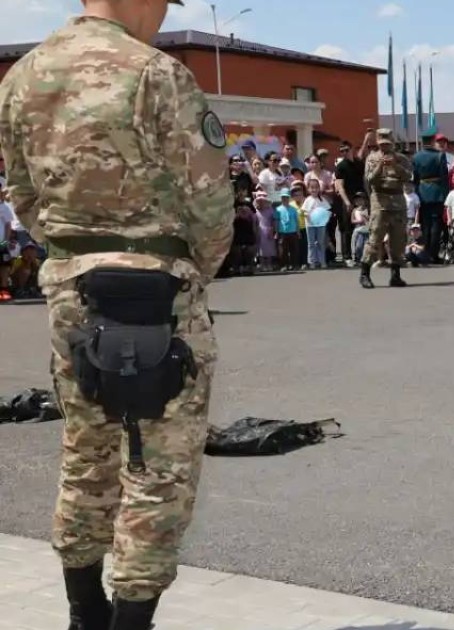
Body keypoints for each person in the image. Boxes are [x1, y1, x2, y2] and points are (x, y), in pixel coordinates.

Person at [0, 1, 233, 627]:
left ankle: (84, 613)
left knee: (86, 455)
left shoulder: (23, 76)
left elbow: (22, 195)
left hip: (72, 292)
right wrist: (192, 272)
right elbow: (210, 200)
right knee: (160, 471)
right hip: (159, 292)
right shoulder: (156, 72)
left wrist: (72, 254)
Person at [360, 129, 413, 288]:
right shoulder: (372, 158)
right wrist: (380, 166)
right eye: (382, 144)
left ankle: (395, 275)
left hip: (397, 200)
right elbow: (370, 180)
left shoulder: (401, 158)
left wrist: (395, 166)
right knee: (375, 237)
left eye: (387, 144)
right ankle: (365, 273)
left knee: (398, 239)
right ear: (377, 142)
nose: (385, 147)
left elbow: (408, 177)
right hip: (380, 201)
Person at [412, 133, 450, 264]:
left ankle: (424, 252)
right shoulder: (440, 155)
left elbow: (415, 178)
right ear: (433, 141)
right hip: (437, 192)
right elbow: (444, 178)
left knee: (425, 224)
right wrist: (446, 196)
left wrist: (417, 192)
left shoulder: (416, 156)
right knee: (435, 224)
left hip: (422, 192)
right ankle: (433, 254)